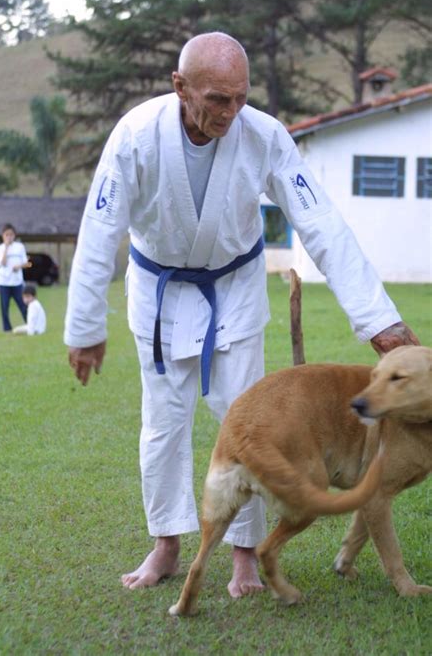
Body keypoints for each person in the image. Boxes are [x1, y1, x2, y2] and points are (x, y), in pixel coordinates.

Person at [64, 32, 419, 598]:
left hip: (233, 290)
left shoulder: (265, 135)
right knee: (162, 424)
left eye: (240, 98)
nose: (231, 113)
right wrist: (85, 328)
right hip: (158, 292)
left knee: (253, 421)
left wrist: (378, 320)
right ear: (179, 87)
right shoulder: (134, 136)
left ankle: (246, 553)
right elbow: (100, 228)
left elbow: (321, 223)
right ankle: (167, 542)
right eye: (216, 99)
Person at [0, 224, 30, 332]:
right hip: (4, 283)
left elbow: (28, 264)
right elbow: (2, 263)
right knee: (4, 307)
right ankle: (7, 328)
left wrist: (18, 266)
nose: (9, 237)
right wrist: (6, 248)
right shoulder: (0, 248)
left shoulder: (20, 247)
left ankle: (30, 324)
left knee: (23, 305)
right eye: (6, 235)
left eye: (11, 234)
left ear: (14, 235)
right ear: (3, 236)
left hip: (17, 283)